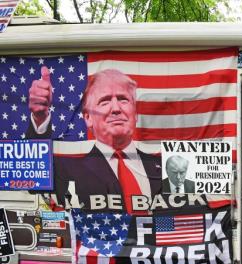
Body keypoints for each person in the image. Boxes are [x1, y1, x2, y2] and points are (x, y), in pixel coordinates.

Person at [27, 67, 161, 213]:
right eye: (104, 102)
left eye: (123, 100)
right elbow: (35, 182)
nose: (116, 108)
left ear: (135, 114)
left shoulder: (164, 166)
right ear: (88, 118)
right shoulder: (67, 170)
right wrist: (39, 119)